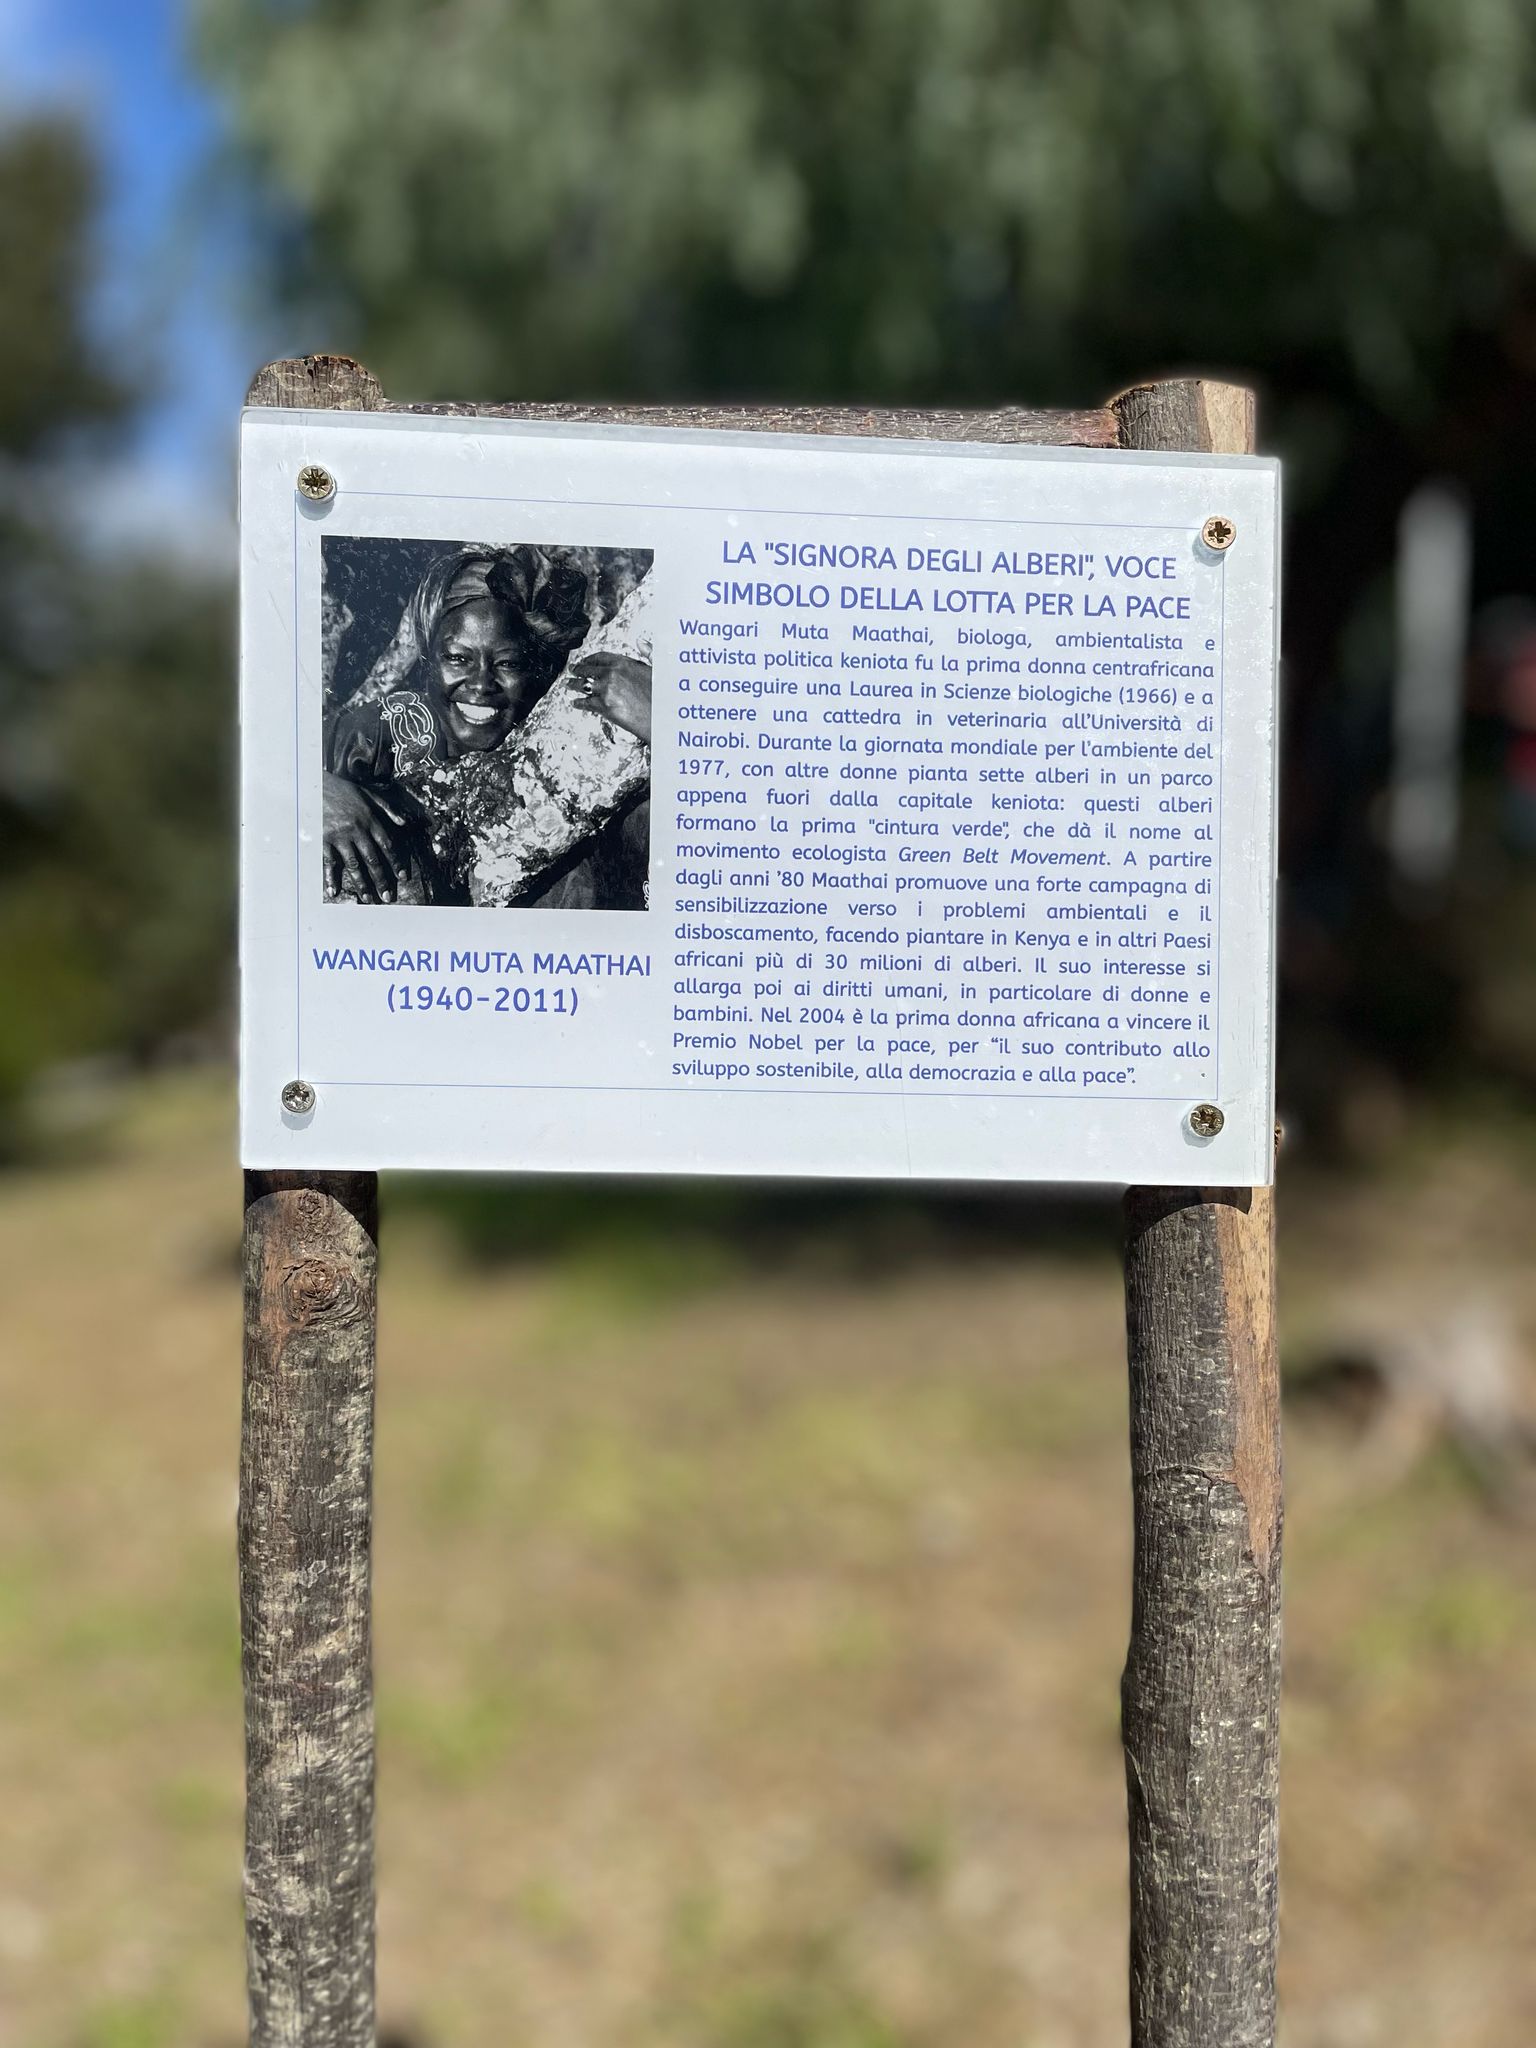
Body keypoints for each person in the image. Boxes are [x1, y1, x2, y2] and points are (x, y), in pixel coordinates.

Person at [322, 545, 649, 906]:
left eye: (508, 663)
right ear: (429, 659)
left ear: (536, 672)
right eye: (457, 658)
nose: (480, 685)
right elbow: (282, 762)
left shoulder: (572, 748)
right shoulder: (384, 731)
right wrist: (319, 794)